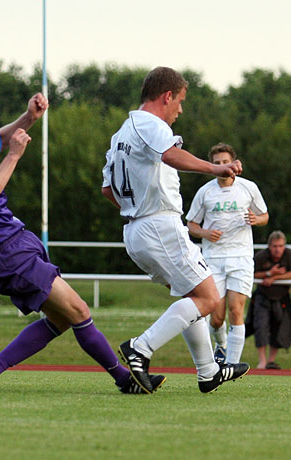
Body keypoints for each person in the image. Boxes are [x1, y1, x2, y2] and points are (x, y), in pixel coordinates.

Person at [0, 71, 158, 395]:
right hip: (4, 250)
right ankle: (124, 379)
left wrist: (29, 117)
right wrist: (14, 156)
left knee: (61, 319)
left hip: (14, 240)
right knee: (79, 310)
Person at [101, 66, 250, 394]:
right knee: (208, 298)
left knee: (192, 296)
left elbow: (108, 190)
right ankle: (140, 347)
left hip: (136, 229)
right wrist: (216, 168)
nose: (180, 110)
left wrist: (137, 209)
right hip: (160, 224)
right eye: (180, 101)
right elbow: (170, 154)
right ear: (167, 96)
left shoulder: (121, 133)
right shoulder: (150, 123)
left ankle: (208, 371)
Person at [186, 142, 269, 365]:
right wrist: (205, 233)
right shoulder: (205, 192)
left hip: (241, 257)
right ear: (212, 165)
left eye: (225, 162)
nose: (222, 166)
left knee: (236, 310)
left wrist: (256, 219)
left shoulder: (248, 187)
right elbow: (191, 224)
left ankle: (233, 365)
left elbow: (265, 216)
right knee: (216, 317)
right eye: (217, 163)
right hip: (213, 259)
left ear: (233, 163)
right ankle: (221, 345)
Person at [246, 230, 291, 370]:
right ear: (269, 246)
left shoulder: (289, 255)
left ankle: (271, 360)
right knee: (261, 326)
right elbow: (250, 273)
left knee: (279, 327)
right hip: (263, 296)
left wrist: (274, 278)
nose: (277, 249)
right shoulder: (261, 256)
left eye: (280, 246)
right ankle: (262, 361)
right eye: (275, 246)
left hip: (282, 297)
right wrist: (269, 273)